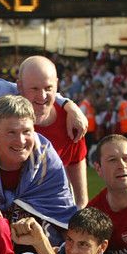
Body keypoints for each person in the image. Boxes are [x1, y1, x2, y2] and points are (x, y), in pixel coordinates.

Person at [0, 95, 77, 237]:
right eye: (11, 132)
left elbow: (64, 218)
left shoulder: (47, 160)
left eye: (26, 131)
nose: (21, 141)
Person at [16, 56, 88, 206]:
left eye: (48, 88)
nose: (42, 96)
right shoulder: (7, 120)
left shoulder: (71, 122)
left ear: (57, 85)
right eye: (34, 89)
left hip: (53, 211)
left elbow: (76, 162)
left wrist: (80, 206)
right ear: (20, 87)